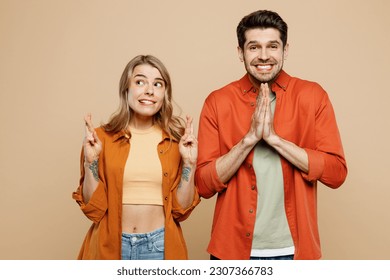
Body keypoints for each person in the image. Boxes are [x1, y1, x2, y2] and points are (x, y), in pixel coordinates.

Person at [195, 10, 347, 260]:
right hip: (231, 252)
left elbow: (336, 173)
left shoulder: (312, 96)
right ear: (240, 52)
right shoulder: (218, 102)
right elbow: (203, 184)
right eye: (254, 47)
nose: (263, 56)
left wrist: (275, 140)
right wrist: (248, 140)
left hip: (294, 252)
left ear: (285, 50)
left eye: (272, 46)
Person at [72, 55, 200, 260]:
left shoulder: (178, 141)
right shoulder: (100, 138)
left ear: (164, 93)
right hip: (110, 246)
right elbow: (93, 210)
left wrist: (189, 164)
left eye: (158, 84)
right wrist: (90, 163)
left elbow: (181, 211)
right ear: (126, 89)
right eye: (140, 82)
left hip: (159, 248)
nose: (149, 90)